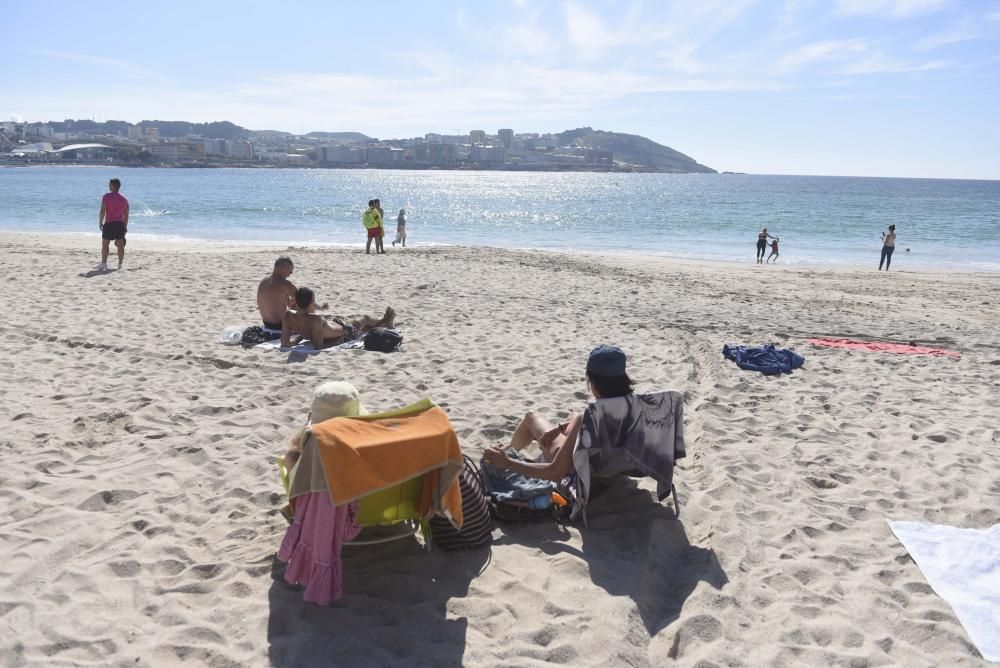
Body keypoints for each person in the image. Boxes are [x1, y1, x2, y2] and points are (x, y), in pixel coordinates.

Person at [483, 345, 634, 481]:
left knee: (531, 416)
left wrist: (508, 463)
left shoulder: (589, 417)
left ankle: (509, 452)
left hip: (579, 466)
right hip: (616, 462)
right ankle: (512, 449)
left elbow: (555, 472)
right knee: (574, 416)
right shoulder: (641, 406)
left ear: (593, 382)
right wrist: (560, 428)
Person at [281, 287, 395, 349]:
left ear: (295, 301)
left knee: (361, 324)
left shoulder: (287, 316)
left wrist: (297, 340)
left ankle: (385, 321)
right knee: (365, 319)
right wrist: (337, 341)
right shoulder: (314, 320)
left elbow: (285, 343)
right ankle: (386, 320)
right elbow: (319, 346)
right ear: (311, 303)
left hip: (336, 325)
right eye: (313, 301)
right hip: (345, 332)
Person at [98, 178, 129, 271]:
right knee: (120, 245)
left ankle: (104, 264)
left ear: (112, 186)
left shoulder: (106, 196)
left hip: (109, 224)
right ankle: (120, 265)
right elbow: (126, 215)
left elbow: (103, 210)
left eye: (109, 184)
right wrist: (125, 226)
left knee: (105, 244)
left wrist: (100, 222)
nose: (108, 186)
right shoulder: (124, 199)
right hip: (119, 224)